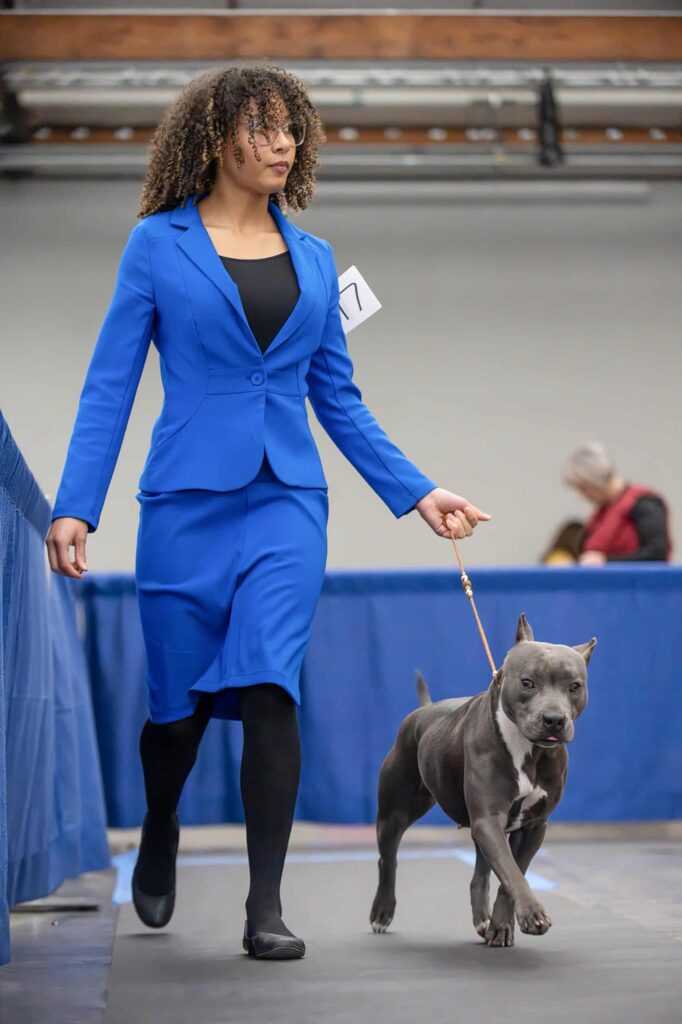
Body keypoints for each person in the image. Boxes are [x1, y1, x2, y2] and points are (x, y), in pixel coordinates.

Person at [45, 65, 491, 961]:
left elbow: (340, 398)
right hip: (185, 504)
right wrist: (76, 506)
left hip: (288, 502)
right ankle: (162, 820)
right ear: (215, 140)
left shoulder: (317, 259)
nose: (283, 142)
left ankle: (265, 907)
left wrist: (418, 490)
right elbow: (110, 385)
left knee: (269, 682)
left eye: (292, 128)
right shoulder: (155, 245)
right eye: (263, 128)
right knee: (176, 711)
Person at [562, 441, 671, 565]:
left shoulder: (644, 504)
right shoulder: (604, 511)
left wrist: (606, 561)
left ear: (596, 482)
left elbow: (657, 554)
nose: (582, 496)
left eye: (584, 488)